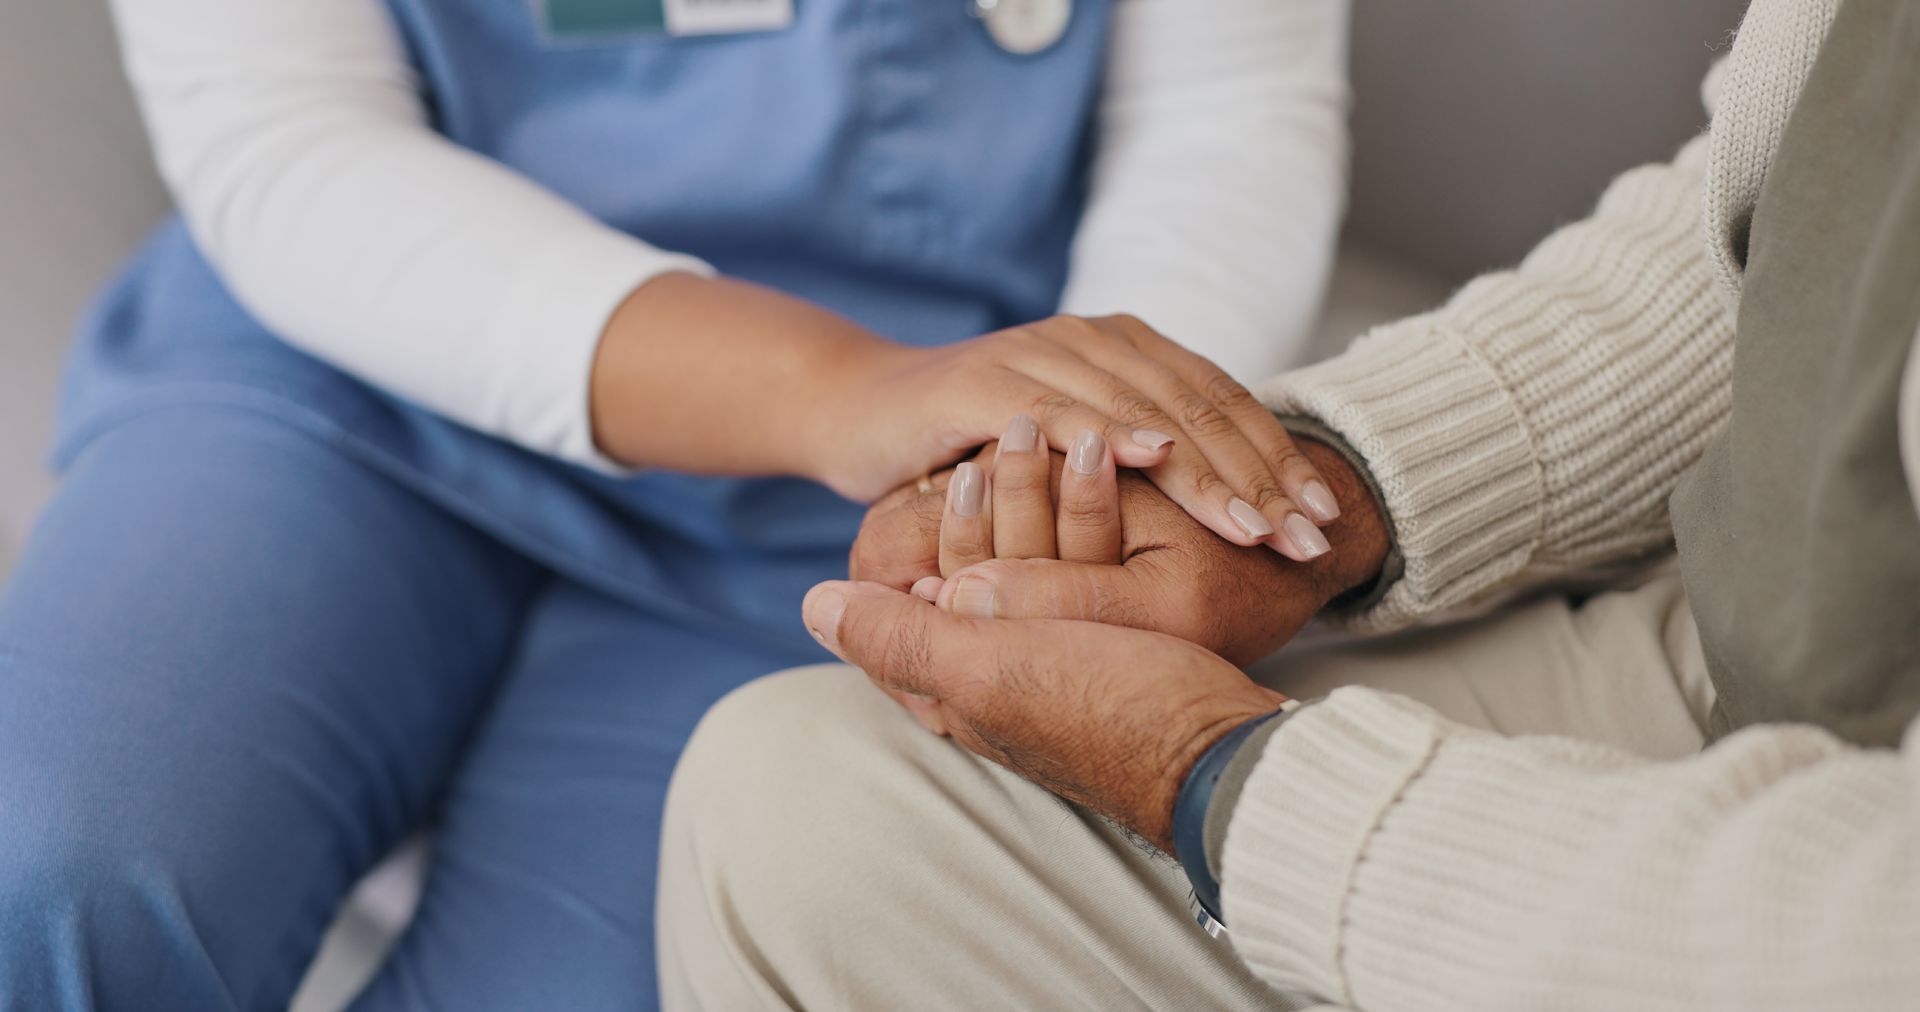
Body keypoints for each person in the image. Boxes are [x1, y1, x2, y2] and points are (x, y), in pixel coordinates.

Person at [0, 1, 1353, 1007]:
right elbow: (282, 131)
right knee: (55, 869)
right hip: (343, 367)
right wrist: (833, 390)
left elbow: (1224, 117)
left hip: (883, 492)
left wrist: (1071, 453)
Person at [657, 0, 1920, 1007]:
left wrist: (1225, 784)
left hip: (1842, 886)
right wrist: (1323, 498)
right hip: (1751, 628)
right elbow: (1779, 220)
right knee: (797, 798)